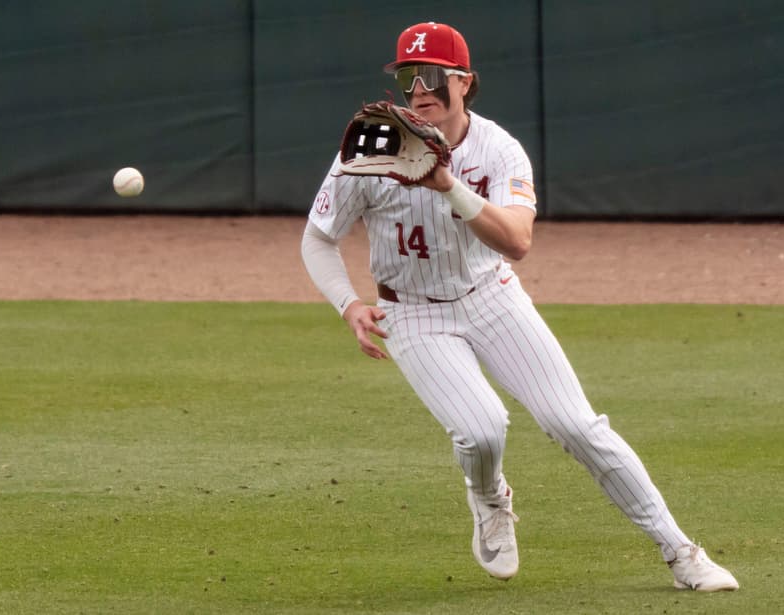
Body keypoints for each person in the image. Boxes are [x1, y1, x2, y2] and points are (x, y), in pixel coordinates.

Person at [301, 21, 739, 591]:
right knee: (482, 433)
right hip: (412, 314)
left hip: (492, 298)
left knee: (577, 425)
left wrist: (446, 186)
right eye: (408, 77)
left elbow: (518, 242)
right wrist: (348, 304)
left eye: (432, 76)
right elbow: (318, 237)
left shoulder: (497, 149)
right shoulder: (372, 146)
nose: (419, 90)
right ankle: (489, 497)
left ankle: (681, 552)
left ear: (465, 82)